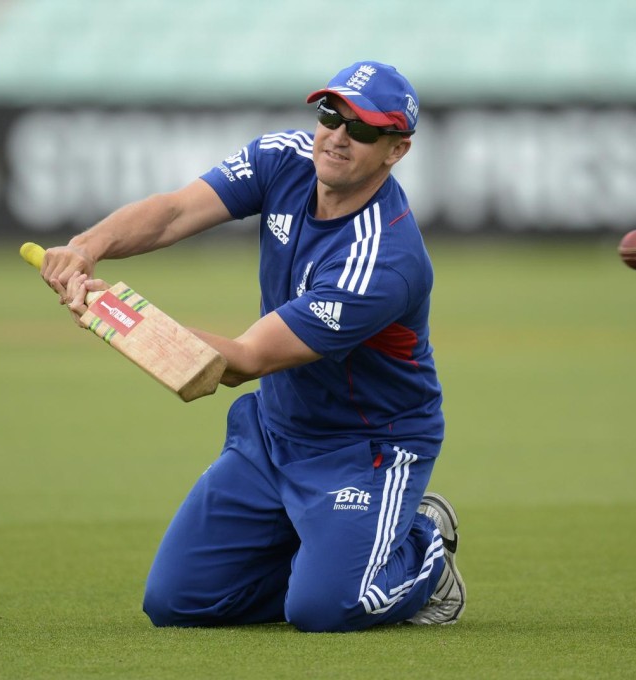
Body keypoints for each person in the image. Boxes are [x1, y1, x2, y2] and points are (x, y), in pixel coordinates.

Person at [37, 61, 465, 632]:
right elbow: (174, 212)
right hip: (275, 431)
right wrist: (87, 248)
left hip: (365, 449)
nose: (337, 136)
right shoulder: (283, 157)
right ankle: (329, 555)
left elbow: (244, 361)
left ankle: (423, 545)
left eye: (362, 129)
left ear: (396, 150)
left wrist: (118, 314)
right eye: (330, 114)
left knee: (325, 609)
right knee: (176, 602)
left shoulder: (384, 261)